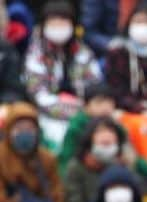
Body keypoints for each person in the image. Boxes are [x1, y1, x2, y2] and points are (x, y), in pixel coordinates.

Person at [23, 1, 102, 150]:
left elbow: (94, 85)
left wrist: (81, 108)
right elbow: (37, 93)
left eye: (63, 22)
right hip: (48, 113)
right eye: (54, 23)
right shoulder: (36, 54)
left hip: (83, 111)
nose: (59, 27)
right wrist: (65, 107)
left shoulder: (83, 52)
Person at [62, 116, 131, 202]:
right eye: (100, 131)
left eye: (111, 131)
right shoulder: (76, 166)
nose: (106, 136)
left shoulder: (121, 168)